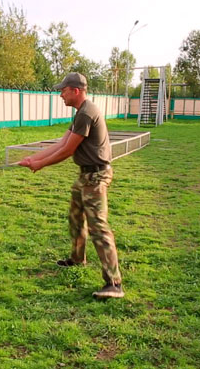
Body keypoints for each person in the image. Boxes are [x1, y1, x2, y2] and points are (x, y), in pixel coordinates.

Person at [18, 72, 123, 299]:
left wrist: (40, 165)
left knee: (99, 228)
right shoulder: (80, 113)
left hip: (96, 177)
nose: (60, 95)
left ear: (75, 90)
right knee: (75, 219)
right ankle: (77, 259)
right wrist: (32, 159)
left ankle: (114, 283)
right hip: (85, 176)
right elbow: (62, 142)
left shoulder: (87, 113)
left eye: (63, 90)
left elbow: (68, 150)